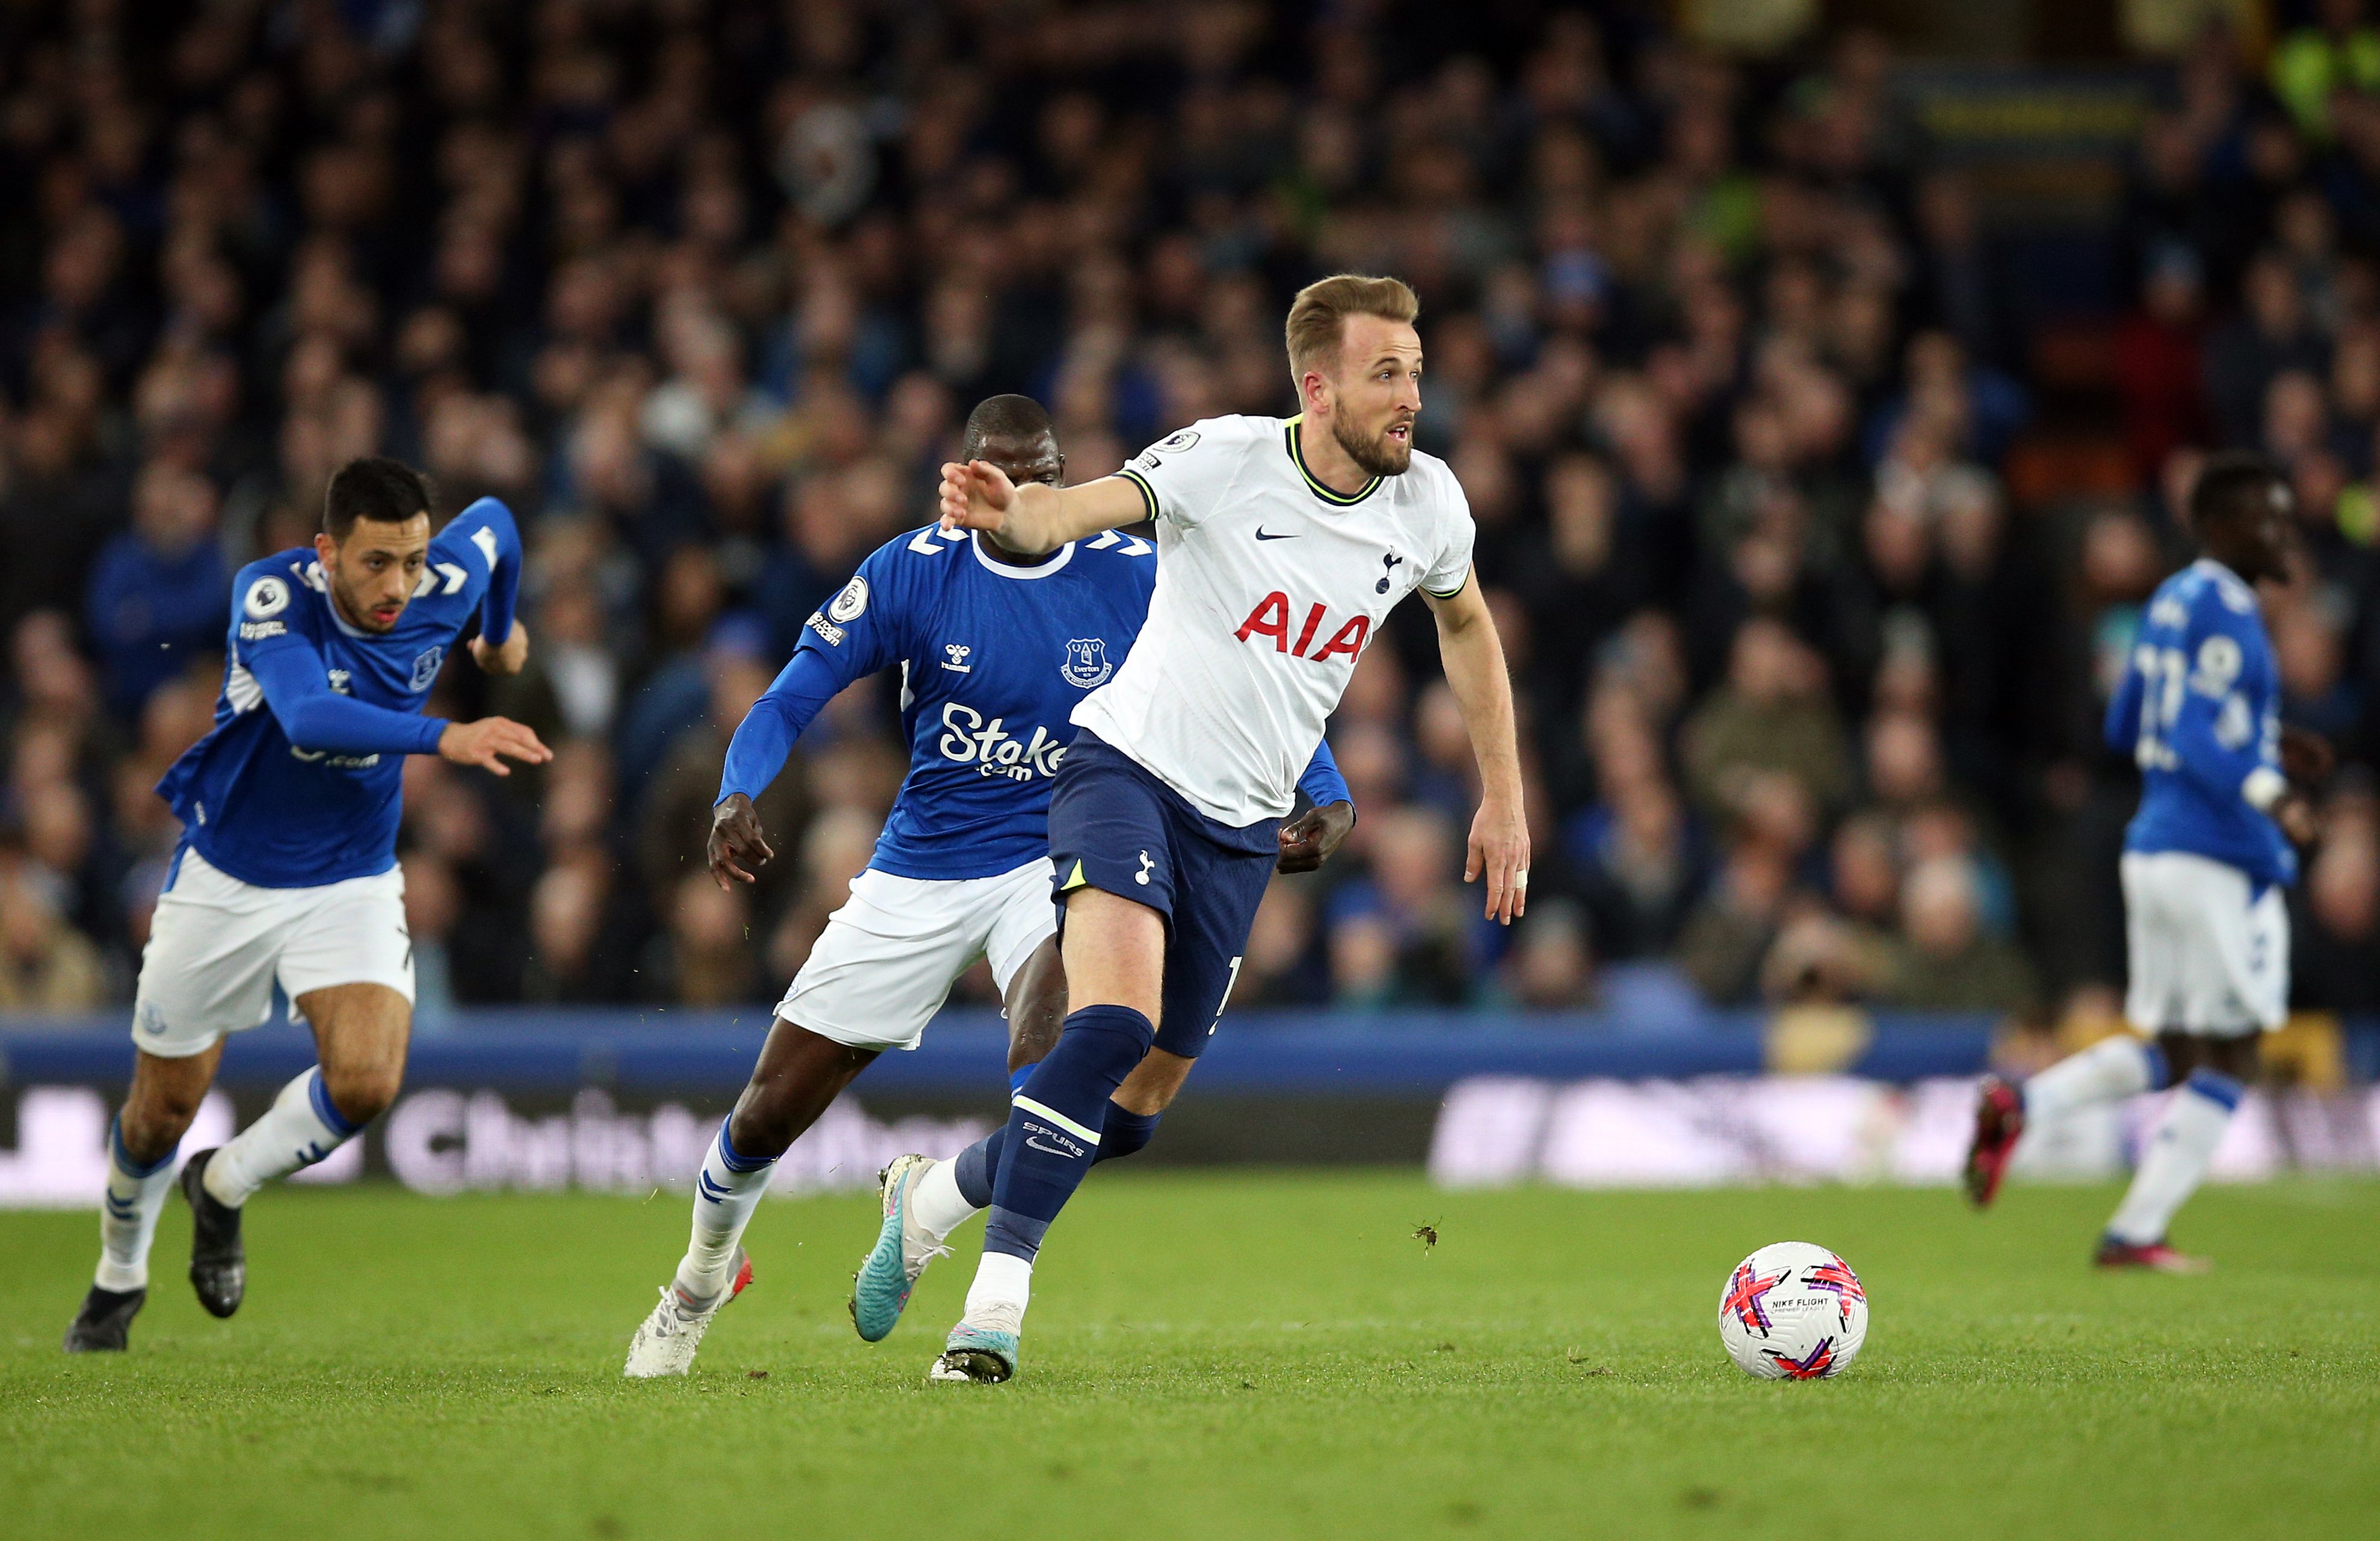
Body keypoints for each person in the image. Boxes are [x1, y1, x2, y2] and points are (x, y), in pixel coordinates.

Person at [621, 396, 1355, 1377]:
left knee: (1067, 1052)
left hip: (1062, 848)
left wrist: (1325, 786)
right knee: (768, 1110)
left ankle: (990, 1305)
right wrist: (736, 790)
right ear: (965, 483)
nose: (1026, 492)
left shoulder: (1129, 572)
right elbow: (792, 691)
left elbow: (1249, 672)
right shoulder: (912, 572)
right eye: (1003, 475)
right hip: (920, 865)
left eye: (1044, 472)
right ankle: (699, 1282)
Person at [922, 274, 1527, 1383]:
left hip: (1243, 827)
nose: (1410, 397)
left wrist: (1504, 796)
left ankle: (937, 1193)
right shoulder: (1223, 457)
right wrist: (1016, 514)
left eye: (1417, 373)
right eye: (1386, 374)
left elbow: (1469, 625)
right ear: (1318, 384)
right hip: (1125, 772)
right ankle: (991, 1310)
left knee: (1139, 1112)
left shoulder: (1429, 502)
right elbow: (1074, 508)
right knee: (1108, 1026)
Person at [62, 457, 548, 1352]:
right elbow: (307, 719)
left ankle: (222, 1184)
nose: (398, 584)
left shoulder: (450, 571)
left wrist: (495, 634)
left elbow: (503, 525)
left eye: (411, 559)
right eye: (374, 563)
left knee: (367, 1080)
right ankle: (117, 1276)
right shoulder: (270, 595)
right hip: (227, 880)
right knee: (158, 1110)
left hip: (351, 877)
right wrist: (449, 733)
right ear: (326, 550)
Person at [1964, 452, 2326, 1271]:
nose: (2283, 532)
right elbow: (2195, 731)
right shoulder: (2230, 609)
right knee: (2233, 1052)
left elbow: (2129, 720)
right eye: (2269, 517)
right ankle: (2136, 1228)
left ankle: (2024, 1102)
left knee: (2178, 1047)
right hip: (2218, 852)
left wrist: (2262, 741)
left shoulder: (2166, 600)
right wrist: (2271, 791)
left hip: (2155, 841)